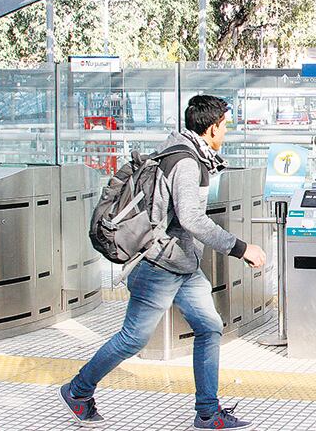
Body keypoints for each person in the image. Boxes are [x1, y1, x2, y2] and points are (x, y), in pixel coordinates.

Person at [58, 95, 267, 430]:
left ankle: (207, 412)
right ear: (212, 127)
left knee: (209, 326)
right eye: (225, 125)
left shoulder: (183, 152)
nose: (227, 131)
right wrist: (240, 248)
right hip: (159, 266)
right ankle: (78, 390)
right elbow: (192, 220)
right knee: (133, 338)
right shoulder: (186, 163)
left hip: (182, 264)